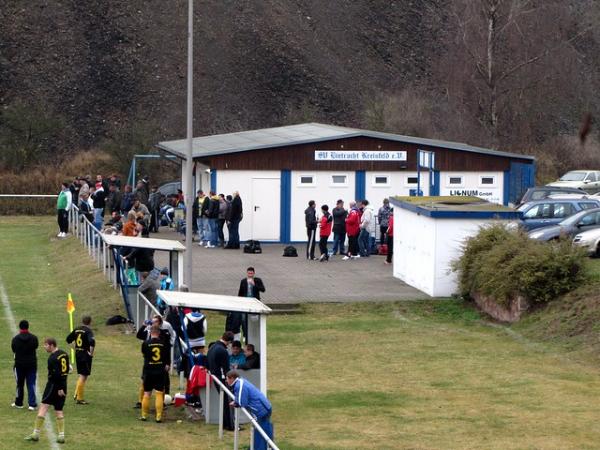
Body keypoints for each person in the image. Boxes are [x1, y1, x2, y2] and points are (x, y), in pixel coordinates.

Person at [24, 337, 69, 443]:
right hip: (63, 384)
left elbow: (56, 374)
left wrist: (59, 388)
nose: (44, 347)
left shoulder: (52, 358)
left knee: (43, 406)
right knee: (59, 410)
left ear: (51, 345)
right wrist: (63, 387)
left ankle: (35, 434)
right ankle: (61, 436)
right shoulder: (64, 354)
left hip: (54, 386)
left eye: (46, 345)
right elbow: (68, 368)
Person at [226, 370, 273, 450]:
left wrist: (235, 404)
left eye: (227, 379)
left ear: (232, 378)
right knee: (263, 428)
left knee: (260, 430)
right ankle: (262, 446)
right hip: (264, 407)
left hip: (260, 410)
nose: (226, 381)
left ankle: (260, 447)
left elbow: (242, 402)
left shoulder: (239, 385)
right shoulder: (241, 381)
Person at [226, 267, 266, 342]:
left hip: (254, 302)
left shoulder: (257, 280)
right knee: (244, 319)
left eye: (251, 273)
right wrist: (238, 302)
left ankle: (254, 334)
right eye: (249, 273)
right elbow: (240, 292)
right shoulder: (243, 281)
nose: (250, 274)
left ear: (254, 273)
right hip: (245, 302)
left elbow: (263, 289)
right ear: (247, 273)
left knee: (254, 318)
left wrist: (254, 284)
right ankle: (245, 335)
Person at [140, 325, 170, 422]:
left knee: (147, 393)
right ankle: (158, 416)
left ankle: (144, 415)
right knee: (159, 393)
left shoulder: (146, 343)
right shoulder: (163, 344)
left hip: (148, 371)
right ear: (159, 333)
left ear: (150, 332)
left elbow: (144, 355)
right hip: (160, 371)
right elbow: (166, 357)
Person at [207, 332, 235, 431]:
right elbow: (226, 369)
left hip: (214, 376)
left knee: (224, 402)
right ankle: (230, 425)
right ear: (229, 341)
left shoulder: (212, 347)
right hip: (221, 378)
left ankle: (225, 423)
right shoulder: (223, 351)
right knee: (228, 402)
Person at [66, 315, 95, 405]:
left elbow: (68, 339)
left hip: (78, 354)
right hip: (85, 355)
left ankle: (77, 394)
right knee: (83, 375)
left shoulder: (77, 329)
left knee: (82, 375)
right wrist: (91, 353)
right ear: (90, 322)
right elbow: (92, 342)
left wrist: (75, 348)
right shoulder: (88, 331)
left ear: (82, 321)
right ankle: (79, 398)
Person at [12, 320, 38, 410]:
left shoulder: (15, 339)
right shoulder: (34, 338)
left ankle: (19, 403)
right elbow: (35, 347)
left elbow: (14, 350)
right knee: (31, 384)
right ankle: (32, 404)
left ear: (20, 327)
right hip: (31, 365)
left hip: (19, 365)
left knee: (20, 384)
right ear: (28, 327)